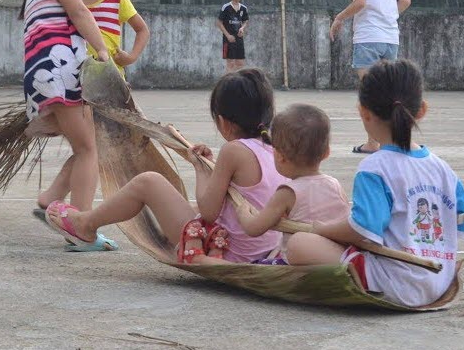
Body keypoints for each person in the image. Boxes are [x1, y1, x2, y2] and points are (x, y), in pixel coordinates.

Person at [45, 68, 285, 265]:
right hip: (261, 251)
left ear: (223, 122)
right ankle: (86, 223)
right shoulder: (275, 150)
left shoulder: (234, 151)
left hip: (224, 251)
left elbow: (209, 210)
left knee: (148, 182)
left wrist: (200, 170)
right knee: (179, 201)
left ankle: (85, 225)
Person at [286, 60, 464, 308]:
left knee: (299, 243)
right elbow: (461, 221)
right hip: (439, 282)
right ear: (422, 110)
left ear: (364, 112)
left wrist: (322, 229)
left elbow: (364, 230)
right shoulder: (444, 169)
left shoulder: (374, 167)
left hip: (395, 284)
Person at [22, 0, 113, 242]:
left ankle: (51, 198)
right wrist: (102, 49)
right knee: (90, 150)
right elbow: (80, 14)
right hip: (61, 73)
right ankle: (81, 227)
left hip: (43, 76)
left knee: (85, 142)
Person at [329, 0, 411, 154]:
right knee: (389, 91)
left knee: (370, 93)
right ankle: (392, 139)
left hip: (368, 38)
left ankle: (374, 143)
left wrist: (339, 18)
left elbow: (360, 2)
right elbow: (405, 0)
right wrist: (389, 16)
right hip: (390, 39)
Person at [236, 104, 349, 264]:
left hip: (298, 261)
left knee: (255, 266)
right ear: (326, 153)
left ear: (280, 157)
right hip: (332, 256)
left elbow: (254, 228)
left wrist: (243, 212)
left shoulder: (288, 192)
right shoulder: (335, 184)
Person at [217, 0, 249, 72]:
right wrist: (228, 36)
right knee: (230, 63)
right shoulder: (226, 7)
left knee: (240, 63)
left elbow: (245, 21)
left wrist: (242, 28)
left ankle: (239, 84)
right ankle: (229, 83)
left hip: (239, 39)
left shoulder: (243, 8)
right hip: (228, 40)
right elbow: (219, 23)